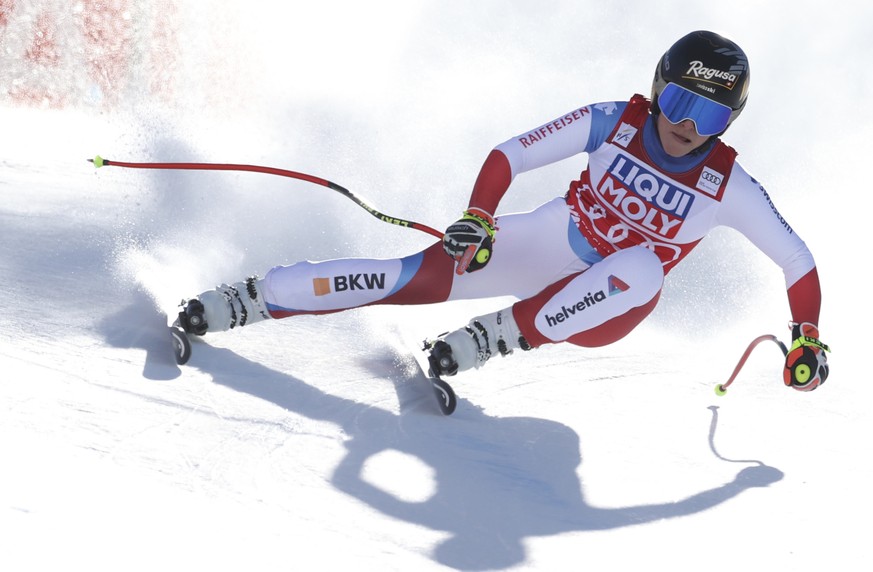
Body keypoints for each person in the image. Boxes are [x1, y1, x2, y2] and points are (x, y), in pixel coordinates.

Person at [177, 30, 829, 391]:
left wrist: (805, 338)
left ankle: (492, 338)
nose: (687, 125)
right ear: (657, 91)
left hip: (607, 304)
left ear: (728, 121)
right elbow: (509, 155)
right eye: (679, 103)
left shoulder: (726, 184)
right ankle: (244, 300)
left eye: (710, 114)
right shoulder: (614, 122)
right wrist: (481, 218)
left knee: (643, 269)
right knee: (404, 278)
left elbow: (795, 262)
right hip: (548, 241)